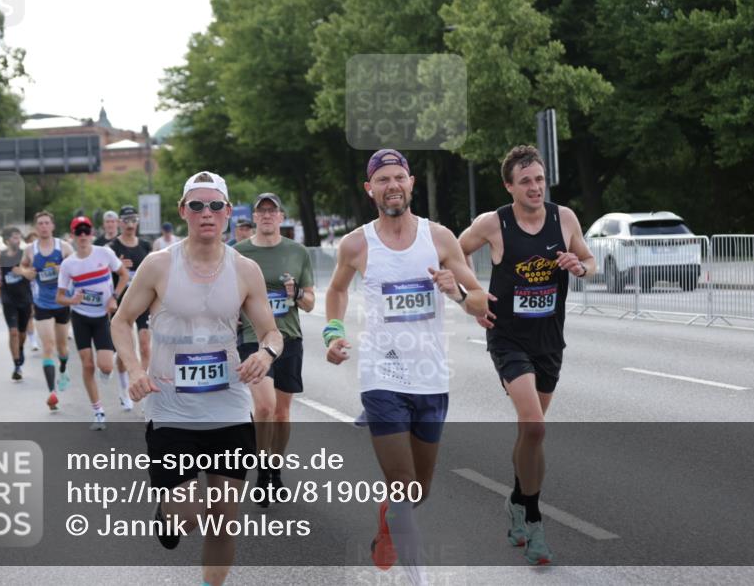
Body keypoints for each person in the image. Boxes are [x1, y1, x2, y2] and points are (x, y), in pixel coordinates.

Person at [324, 149, 488, 584]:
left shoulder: (440, 239)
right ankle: (419, 579)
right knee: (401, 483)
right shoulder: (356, 243)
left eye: (399, 177)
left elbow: (479, 304)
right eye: (383, 179)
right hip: (382, 375)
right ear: (370, 189)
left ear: (411, 183)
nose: (392, 185)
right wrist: (333, 332)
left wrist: (456, 292)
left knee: (419, 489)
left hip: (431, 376)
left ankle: (389, 520)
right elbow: (337, 290)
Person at [112, 170, 280, 586]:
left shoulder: (245, 270)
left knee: (224, 522)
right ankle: (170, 514)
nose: (207, 213)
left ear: (226, 213)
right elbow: (121, 321)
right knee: (187, 518)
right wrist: (134, 369)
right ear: (183, 211)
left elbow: (271, 332)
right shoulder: (157, 266)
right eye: (198, 205)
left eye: (216, 205)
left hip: (229, 408)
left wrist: (265, 353)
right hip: (172, 412)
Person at [458, 145, 596, 566]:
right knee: (534, 427)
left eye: (539, 179)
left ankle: (517, 499)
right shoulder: (493, 223)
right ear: (509, 187)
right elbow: (454, 251)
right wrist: (472, 296)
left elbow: (590, 261)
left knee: (529, 430)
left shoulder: (564, 218)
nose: (535, 187)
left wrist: (579, 265)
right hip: (508, 339)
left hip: (549, 341)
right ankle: (534, 524)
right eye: (525, 181)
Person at [235, 192, 315, 504]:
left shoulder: (297, 253)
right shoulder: (238, 253)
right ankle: (262, 472)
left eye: (273, 211)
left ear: (281, 217)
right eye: (261, 211)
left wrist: (295, 295)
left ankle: (275, 469)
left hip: (289, 338)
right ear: (254, 217)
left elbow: (310, 303)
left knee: (282, 414)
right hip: (254, 341)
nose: (267, 216)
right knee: (265, 407)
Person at [57, 216, 128, 430]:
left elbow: (123, 275)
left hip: (101, 317)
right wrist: (72, 300)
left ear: (92, 233)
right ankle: (98, 411)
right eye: (78, 232)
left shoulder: (104, 253)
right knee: (87, 364)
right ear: (73, 236)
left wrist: (114, 296)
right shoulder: (68, 264)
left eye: (86, 231)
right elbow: (59, 297)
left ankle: (107, 371)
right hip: (80, 317)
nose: (82, 236)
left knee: (105, 366)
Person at [20, 211, 74, 400]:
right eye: (40, 223)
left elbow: (77, 266)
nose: (43, 226)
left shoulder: (64, 247)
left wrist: (65, 268)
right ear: (37, 227)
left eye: (46, 223)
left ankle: (64, 368)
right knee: (48, 346)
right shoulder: (30, 249)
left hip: (61, 302)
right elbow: (22, 267)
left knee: (62, 348)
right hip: (41, 303)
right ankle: (52, 392)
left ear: (52, 226)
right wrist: (27, 273)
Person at [108, 204, 153, 410]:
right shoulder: (112, 248)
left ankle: (143, 390)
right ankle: (124, 387)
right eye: (126, 221)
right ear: (119, 223)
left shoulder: (145, 246)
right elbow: (104, 276)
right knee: (126, 349)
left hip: (143, 301)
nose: (130, 224)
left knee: (145, 346)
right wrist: (116, 268)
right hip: (121, 303)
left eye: (133, 220)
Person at [0, 228, 33, 384]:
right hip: (8, 299)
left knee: (22, 333)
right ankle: (16, 366)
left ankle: (20, 349)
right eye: (14, 238)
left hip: (25, 298)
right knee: (13, 332)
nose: (17, 240)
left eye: (18, 237)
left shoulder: (24, 254)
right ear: (7, 240)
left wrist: (21, 271)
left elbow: (32, 273)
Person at [23, 232, 40, 351]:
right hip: (28, 288)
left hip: (43, 288)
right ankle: (33, 340)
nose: (33, 243)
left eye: (35, 240)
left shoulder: (45, 251)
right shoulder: (25, 254)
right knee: (29, 314)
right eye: (31, 241)